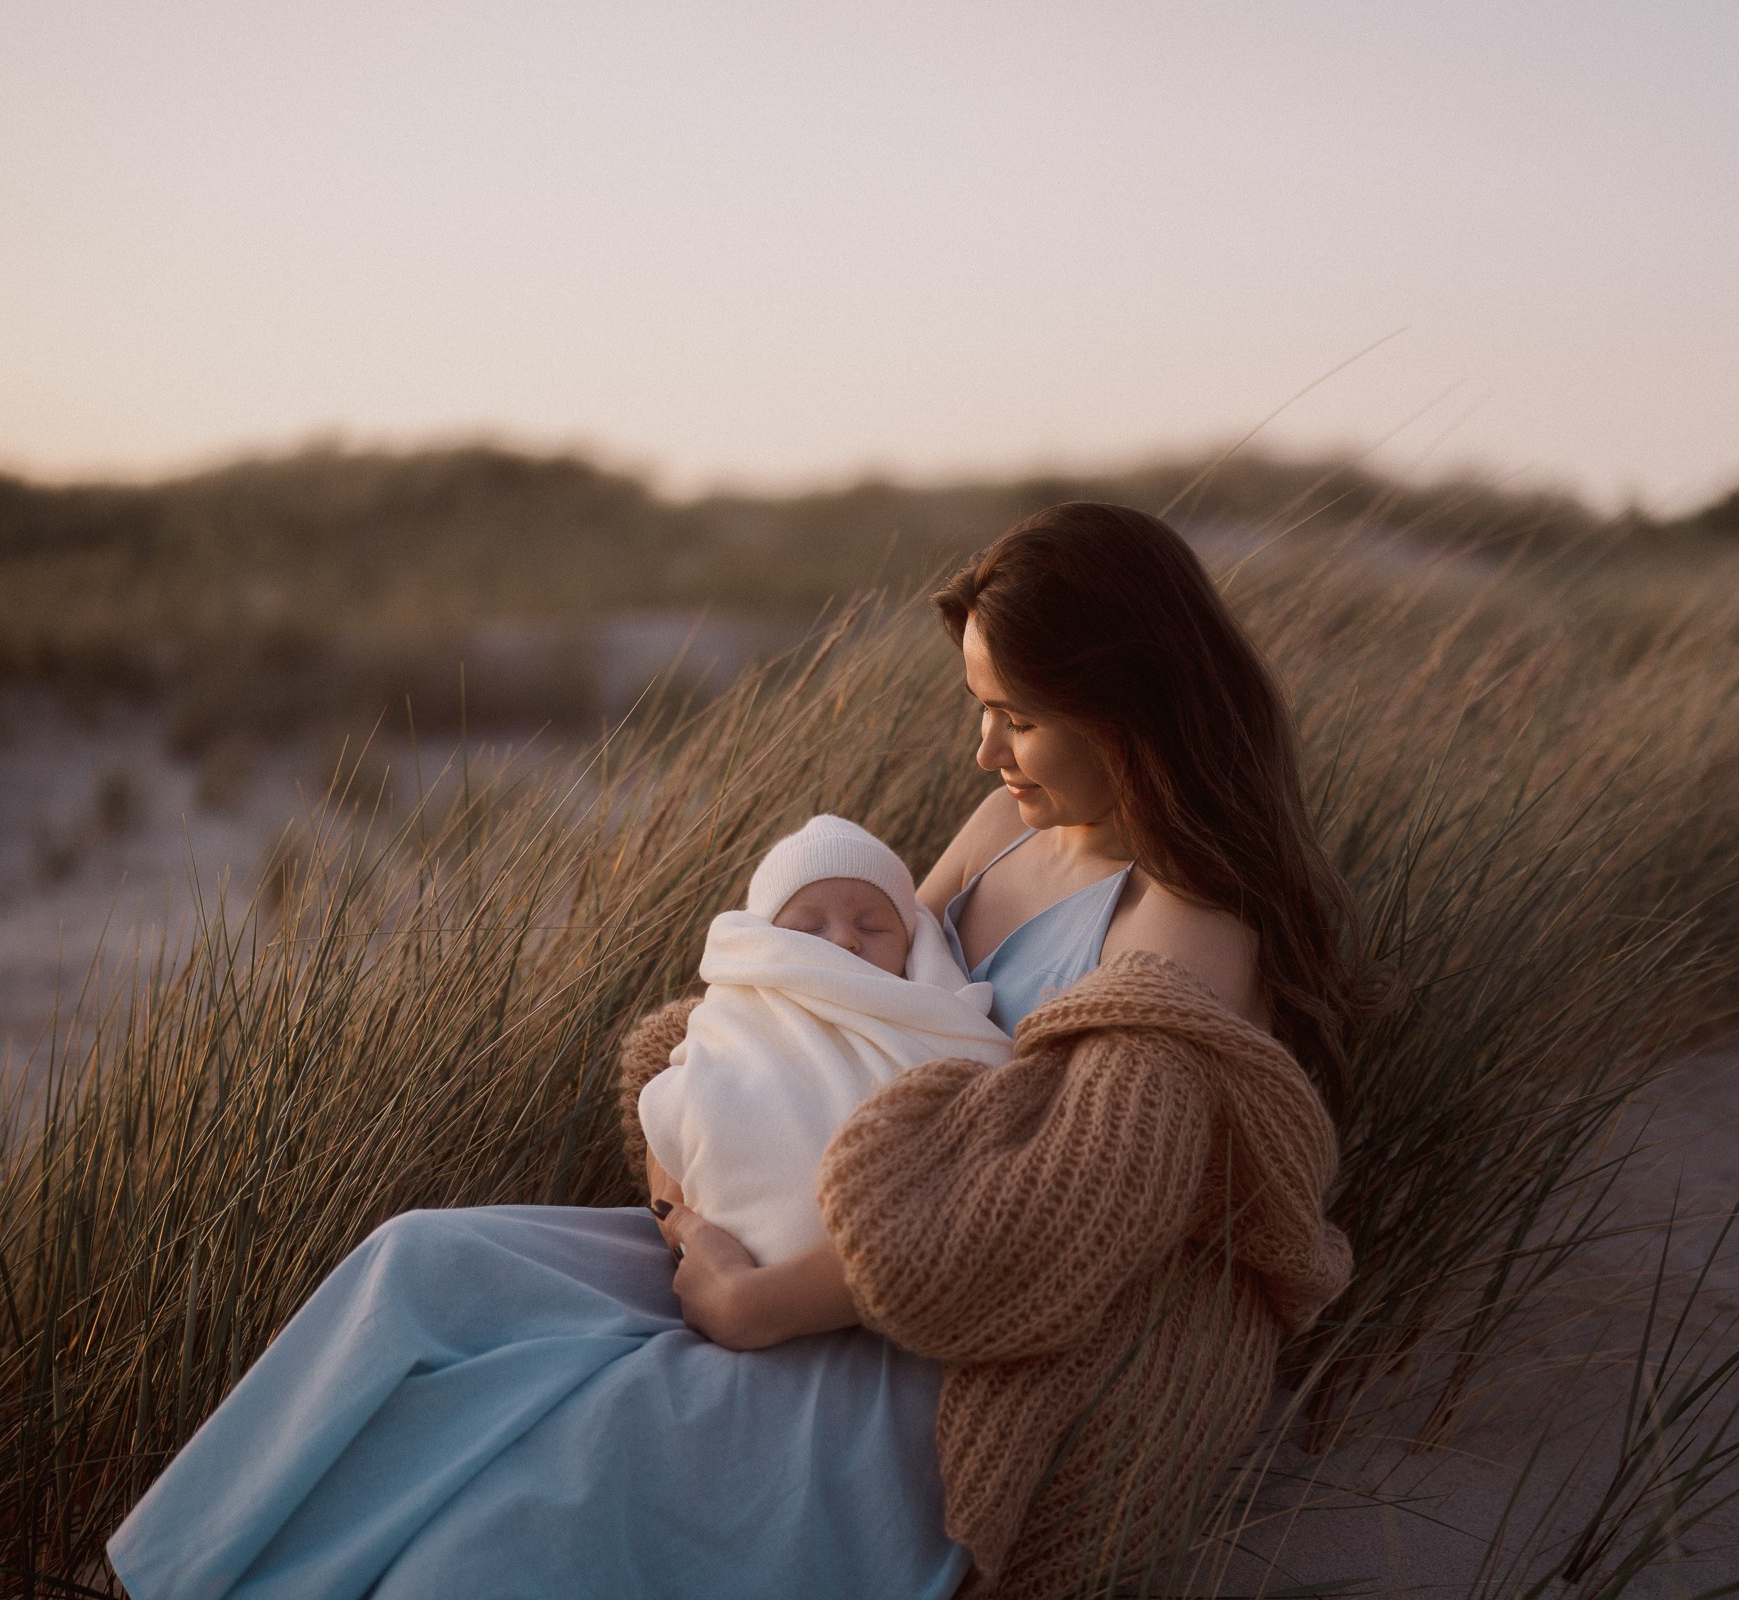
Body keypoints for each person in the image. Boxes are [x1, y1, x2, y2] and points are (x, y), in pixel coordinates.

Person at [107, 502, 1366, 1600]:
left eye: (1016, 718)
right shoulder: (1000, 825)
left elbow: (1058, 1228)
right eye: (978, 710)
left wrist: (754, 1302)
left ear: (1128, 702)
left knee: (553, 1492)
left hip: (925, 1333)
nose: (983, 751)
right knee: (428, 1266)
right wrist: (682, 1183)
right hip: (775, 1222)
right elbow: (821, 997)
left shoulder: (1187, 921)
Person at [633, 812, 1012, 1281]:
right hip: (722, 1229)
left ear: (913, 948)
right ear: (767, 943)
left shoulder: (934, 1018)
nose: (844, 940)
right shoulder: (748, 1006)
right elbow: (703, 1070)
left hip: (876, 1251)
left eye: (872, 927)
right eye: (809, 928)